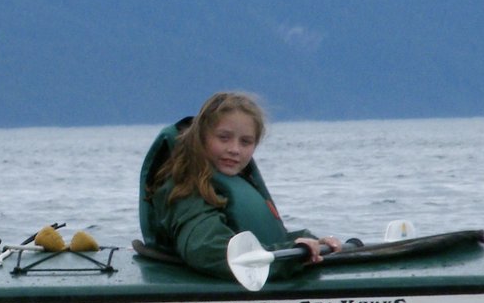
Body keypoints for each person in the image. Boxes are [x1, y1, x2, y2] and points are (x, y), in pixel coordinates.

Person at [139, 91, 341, 280]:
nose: (234, 149)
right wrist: (293, 257)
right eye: (223, 138)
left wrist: (309, 242)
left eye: (245, 142)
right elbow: (207, 250)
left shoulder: (230, 179)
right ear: (201, 137)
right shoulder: (185, 188)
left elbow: (262, 237)